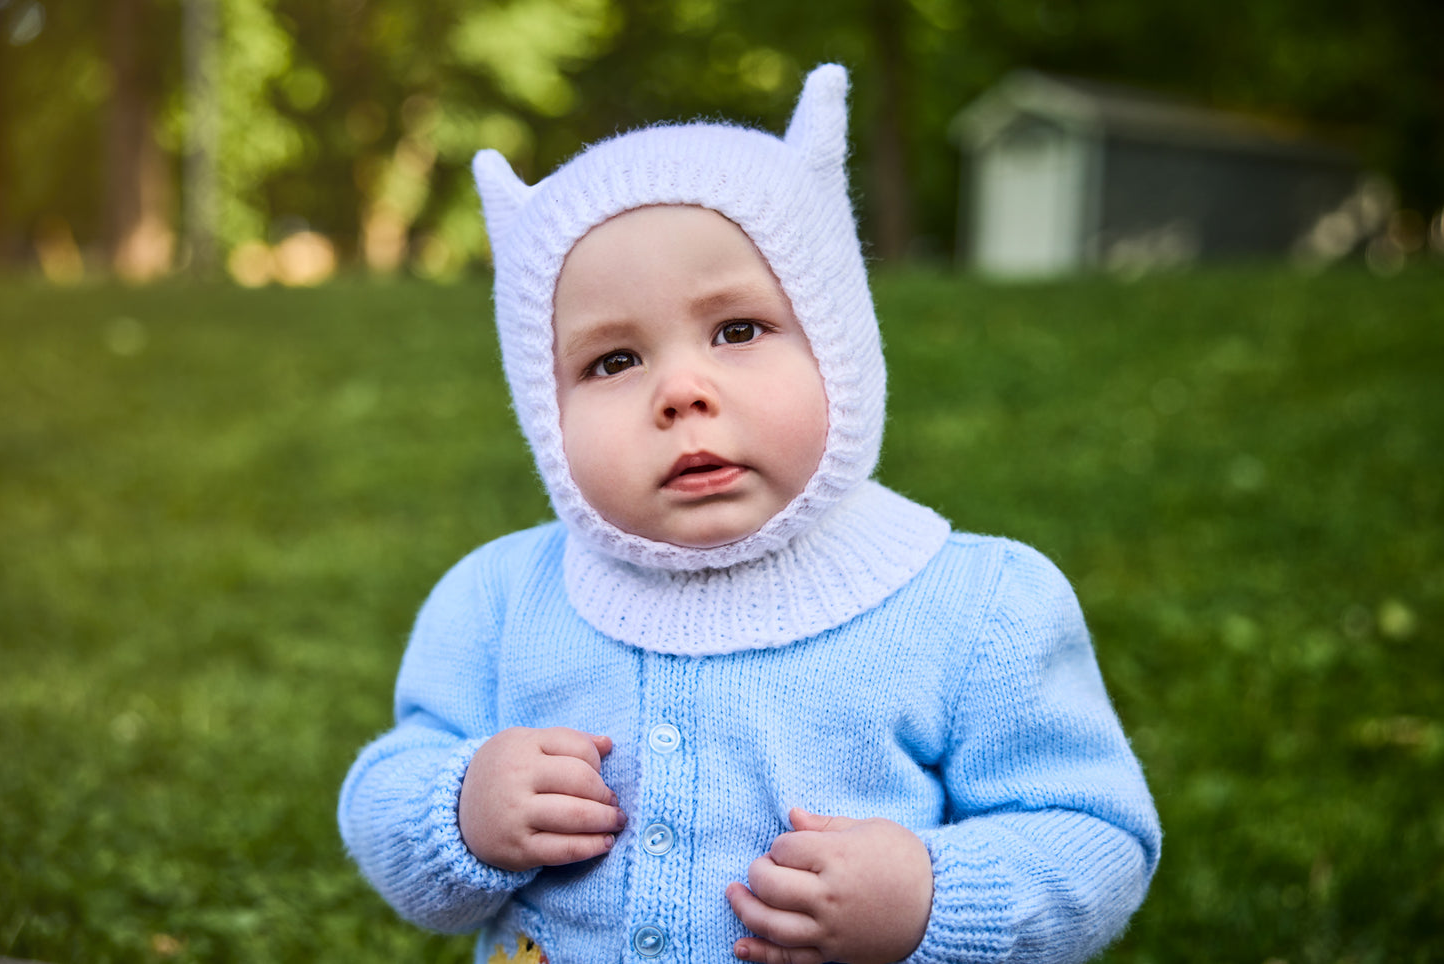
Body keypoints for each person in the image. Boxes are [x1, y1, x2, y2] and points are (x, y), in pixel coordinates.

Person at [338, 64, 1160, 964]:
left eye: (736, 330)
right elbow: (387, 786)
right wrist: (458, 811)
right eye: (612, 361)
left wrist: (929, 899)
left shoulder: (977, 605)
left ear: (837, 343)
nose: (681, 391)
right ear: (543, 406)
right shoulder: (499, 598)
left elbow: (1091, 836)